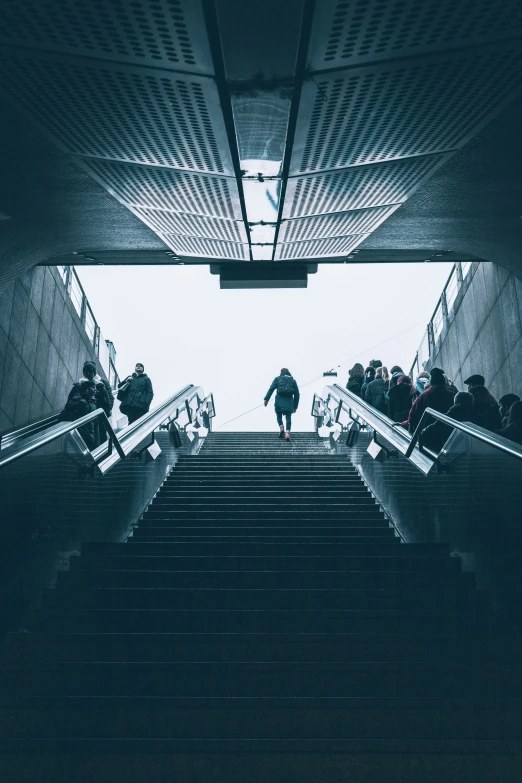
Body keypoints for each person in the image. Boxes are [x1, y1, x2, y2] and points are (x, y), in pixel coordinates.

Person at [68, 360, 113, 442]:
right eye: (86, 371)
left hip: (98, 417)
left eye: (91, 371)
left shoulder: (101, 385)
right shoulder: (79, 386)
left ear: (94, 373)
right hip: (83, 419)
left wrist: (104, 413)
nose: (88, 373)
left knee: (98, 438)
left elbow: (108, 402)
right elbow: (69, 404)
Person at [407, 367, 455, 433]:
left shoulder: (424, 396)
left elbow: (412, 417)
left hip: (429, 434)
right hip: (450, 432)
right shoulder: (452, 395)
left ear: (431, 381)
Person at [58, 380, 100, 450]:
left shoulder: (94, 404)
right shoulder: (79, 397)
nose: (95, 389)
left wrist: (97, 440)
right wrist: (79, 404)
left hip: (89, 434)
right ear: (87, 389)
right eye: (93, 387)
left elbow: (96, 424)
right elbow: (68, 406)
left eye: (95, 388)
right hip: (79, 431)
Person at [264, 368, 300, 442]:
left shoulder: (277, 379)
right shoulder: (293, 381)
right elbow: (297, 394)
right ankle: (287, 433)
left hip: (279, 400)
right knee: (288, 417)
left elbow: (271, 389)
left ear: (281, 372)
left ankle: (281, 427)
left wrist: (266, 399)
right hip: (289, 401)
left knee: (279, 416)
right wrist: (295, 406)